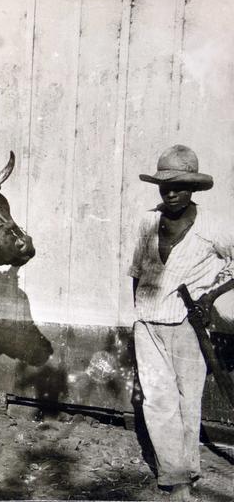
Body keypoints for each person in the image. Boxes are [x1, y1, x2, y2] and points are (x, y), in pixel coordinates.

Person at [128, 145, 234, 501]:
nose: (171, 193)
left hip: (188, 326)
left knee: (188, 401)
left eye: (180, 186)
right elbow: (137, 271)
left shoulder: (213, 225)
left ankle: (186, 469)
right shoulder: (146, 220)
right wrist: (138, 312)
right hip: (147, 323)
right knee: (157, 400)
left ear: (193, 188)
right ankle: (176, 480)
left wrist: (210, 297)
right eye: (165, 186)